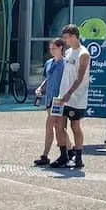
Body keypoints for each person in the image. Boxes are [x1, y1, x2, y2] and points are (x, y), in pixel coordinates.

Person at [49, 24, 90, 169]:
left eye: (67, 37)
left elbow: (79, 78)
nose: (65, 40)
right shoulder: (68, 52)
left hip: (76, 98)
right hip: (62, 96)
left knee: (75, 126)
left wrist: (69, 93)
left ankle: (78, 157)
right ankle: (63, 155)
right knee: (58, 124)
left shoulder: (83, 54)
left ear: (74, 36)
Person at [33, 38, 67, 166]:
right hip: (49, 98)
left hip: (59, 100)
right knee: (57, 127)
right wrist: (41, 88)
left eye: (54, 48)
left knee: (53, 126)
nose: (51, 51)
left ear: (60, 48)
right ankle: (69, 149)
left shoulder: (65, 64)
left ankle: (46, 155)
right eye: (50, 49)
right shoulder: (49, 63)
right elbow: (48, 78)